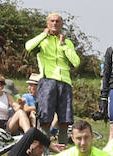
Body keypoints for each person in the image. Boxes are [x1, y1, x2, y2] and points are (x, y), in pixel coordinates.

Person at [26, 12, 81, 144]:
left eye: (57, 21)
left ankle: (62, 151)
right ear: (47, 23)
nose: (54, 23)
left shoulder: (67, 42)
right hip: (47, 80)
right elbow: (28, 47)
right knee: (45, 118)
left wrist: (63, 45)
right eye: (52, 21)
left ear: (61, 24)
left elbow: (76, 62)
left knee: (65, 120)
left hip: (65, 82)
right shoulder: (42, 40)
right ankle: (45, 151)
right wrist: (44, 34)